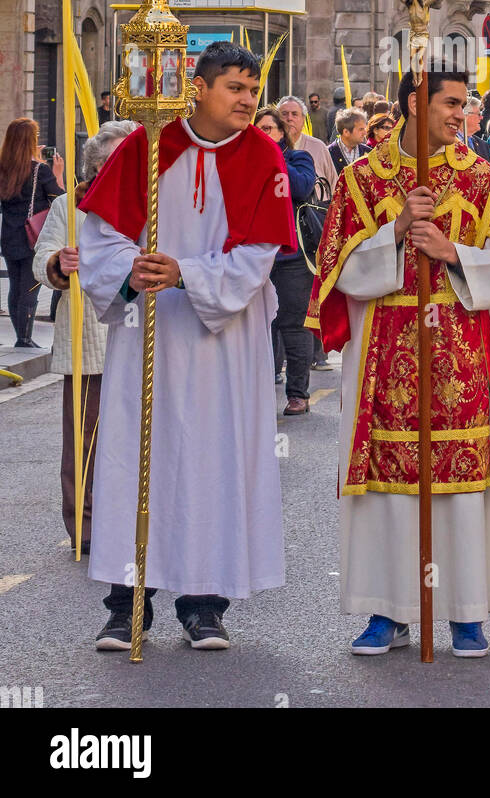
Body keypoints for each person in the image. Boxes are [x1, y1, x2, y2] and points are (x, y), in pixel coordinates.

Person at [307, 62, 490, 657]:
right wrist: (393, 233)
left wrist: (454, 252)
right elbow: (333, 268)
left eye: (464, 104)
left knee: (463, 484)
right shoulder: (361, 179)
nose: (460, 115)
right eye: (450, 102)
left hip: (462, 351)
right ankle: (388, 612)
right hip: (384, 352)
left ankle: (465, 611)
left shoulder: (481, 179)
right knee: (388, 486)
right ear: (416, 102)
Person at [78, 41, 296, 651]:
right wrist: (131, 271)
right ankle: (127, 604)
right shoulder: (147, 148)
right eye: (236, 88)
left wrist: (188, 274)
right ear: (197, 87)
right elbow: (100, 238)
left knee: (216, 460)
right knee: (136, 454)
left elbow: (259, 257)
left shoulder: (264, 157)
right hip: (147, 330)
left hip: (224, 340)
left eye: (254, 90)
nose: (249, 101)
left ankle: (206, 603)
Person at [33, 120, 138, 553]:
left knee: (141, 437)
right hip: (90, 338)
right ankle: (86, 525)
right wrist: (61, 260)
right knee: (86, 441)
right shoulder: (69, 207)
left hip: (146, 336)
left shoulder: (153, 200)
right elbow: (44, 259)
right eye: (116, 160)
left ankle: (144, 523)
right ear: (96, 167)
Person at [254, 106, 317, 411]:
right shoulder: (244, 160)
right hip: (253, 255)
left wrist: (272, 156)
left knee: (293, 326)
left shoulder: (297, 158)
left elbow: (302, 187)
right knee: (258, 326)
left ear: (282, 133)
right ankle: (260, 389)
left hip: (289, 256)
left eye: (269, 129)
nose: (263, 134)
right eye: (259, 129)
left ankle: (298, 393)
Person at [277, 94, 338, 368]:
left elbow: (332, 188)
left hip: (307, 233)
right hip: (274, 239)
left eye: (294, 114)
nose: (289, 119)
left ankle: (316, 351)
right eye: (284, 114)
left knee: (307, 300)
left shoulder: (315, 148)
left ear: (303, 120)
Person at [0, 119, 65, 347]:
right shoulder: (40, 170)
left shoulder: (3, 167)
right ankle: (24, 339)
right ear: (31, 141)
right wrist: (57, 174)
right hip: (32, 238)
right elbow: (59, 200)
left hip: (9, 236)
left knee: (15, 286)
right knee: (30, 287)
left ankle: (21, 336)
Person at [328, 107, 371, 177]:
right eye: (361, 129)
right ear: (346, 132)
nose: (365, 133)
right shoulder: (328, 153)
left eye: (364, 128)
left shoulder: (368, 152)